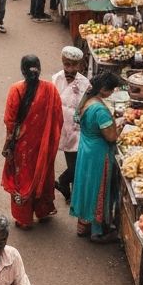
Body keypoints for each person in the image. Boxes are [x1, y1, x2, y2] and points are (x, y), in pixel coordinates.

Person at [1, 55, 64, 228]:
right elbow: (58, 118)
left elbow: (10, 121)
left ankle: (24, 219)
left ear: (22, 70)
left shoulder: (16, 89)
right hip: (43, 146)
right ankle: (43, 212)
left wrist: (8, 143)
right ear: (39, 68)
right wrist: (48, 139)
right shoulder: (50, 89)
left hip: (22, 147)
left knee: (22, 178)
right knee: (43, 174)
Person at [69, 72, 120, 242]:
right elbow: (111, 137)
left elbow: (77, 118)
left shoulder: (87, 101)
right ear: (104, 89)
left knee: (86, 186)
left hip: (86, 149)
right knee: (99, 188)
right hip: (99, 154)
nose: (112, 93)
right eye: (111, 90)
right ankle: (98, 231)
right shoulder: (100, 110)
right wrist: (121, 124)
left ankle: (83, 225)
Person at [52, 46, 90, 201]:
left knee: (78, 165)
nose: (70, 68)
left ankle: (64, 182)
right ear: (62, 62)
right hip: (61, 127)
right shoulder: (56, 79)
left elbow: (86, 105)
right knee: (74, 164)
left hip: (78, 129)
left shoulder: (85, 83)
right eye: (67, 64)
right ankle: (72, 194)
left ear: (80, 65)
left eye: (74, 65)